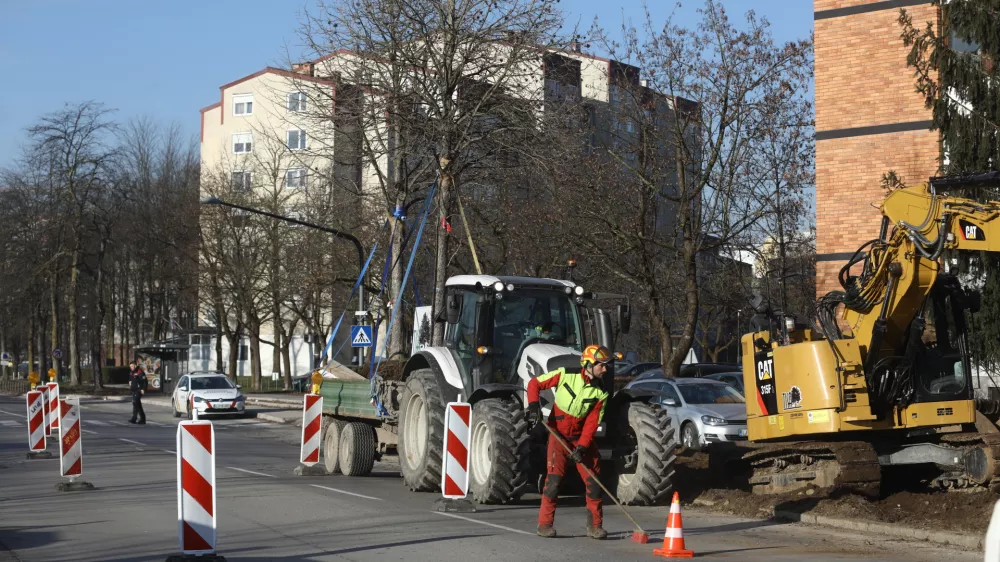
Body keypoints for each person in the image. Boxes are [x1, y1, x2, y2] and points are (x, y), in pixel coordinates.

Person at [526, 344, 611, 540]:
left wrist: (582, 447)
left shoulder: (602, 392)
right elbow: (534, 384)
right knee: (554, 482)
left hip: (581, 439)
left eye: (606, 365)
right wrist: (533, 406)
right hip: (557, 435)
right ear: (589, 364)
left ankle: (595, 527)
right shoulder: (565, 374)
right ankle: (545, 524)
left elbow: (592, 423)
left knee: (594, 483)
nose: (605, 369)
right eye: (602, 365)